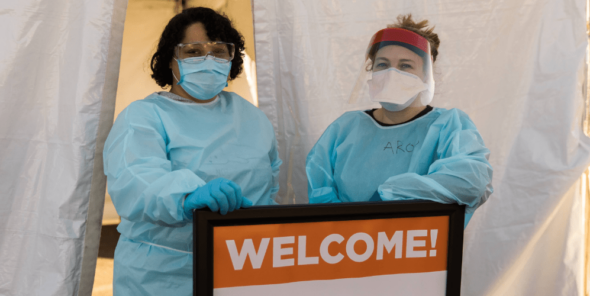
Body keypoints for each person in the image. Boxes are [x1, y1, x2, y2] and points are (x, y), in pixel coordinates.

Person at [103, 7, 281, 295]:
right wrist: (186, 197)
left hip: (244, 267)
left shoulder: (252, 117)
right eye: (193, 52)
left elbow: (270, 184)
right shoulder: (143, 116)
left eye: (220, 52)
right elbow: (135, 179)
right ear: (170, 58)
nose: (208, 61)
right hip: (163, 275)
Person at [306, 15, 493, 227]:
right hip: (347, 248)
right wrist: (348, 229)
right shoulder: (345, 128)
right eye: (383, 64)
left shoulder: (449, 126)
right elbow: (320, 197)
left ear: (426, 73)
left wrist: (390, 193)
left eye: (405, 66)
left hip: (417, 252)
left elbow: (470, 182)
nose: (391, 74)